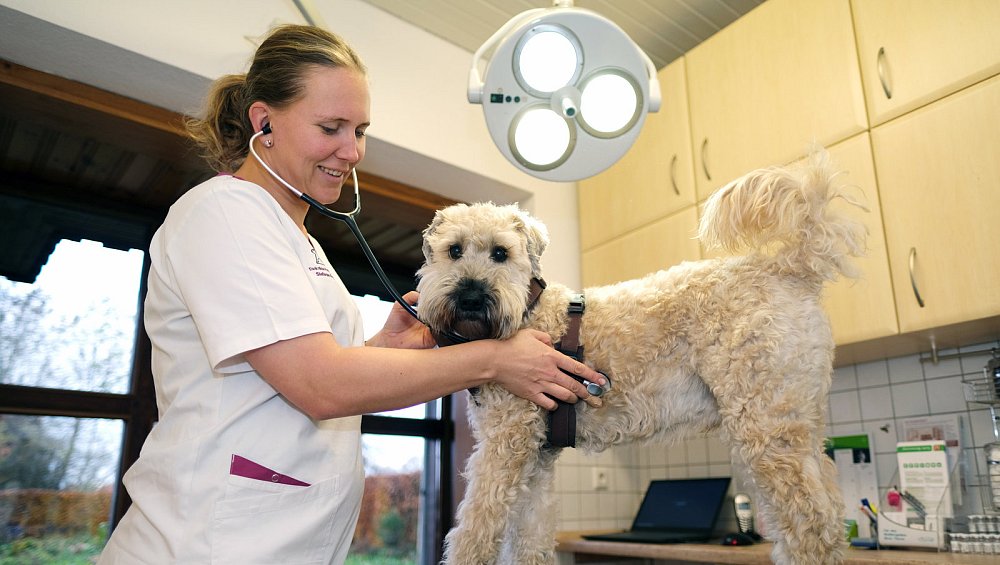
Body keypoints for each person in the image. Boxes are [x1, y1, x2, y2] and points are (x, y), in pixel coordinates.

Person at [97, 24, 604, 565]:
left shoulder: (300, 240)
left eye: (359, 130)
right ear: (263, 121)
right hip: (203, 544)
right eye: (331, 127)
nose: (352, 150)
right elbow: (319, 385)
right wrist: (495, 360)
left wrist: (386, 349)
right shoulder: (225, 211)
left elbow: (313, 372)